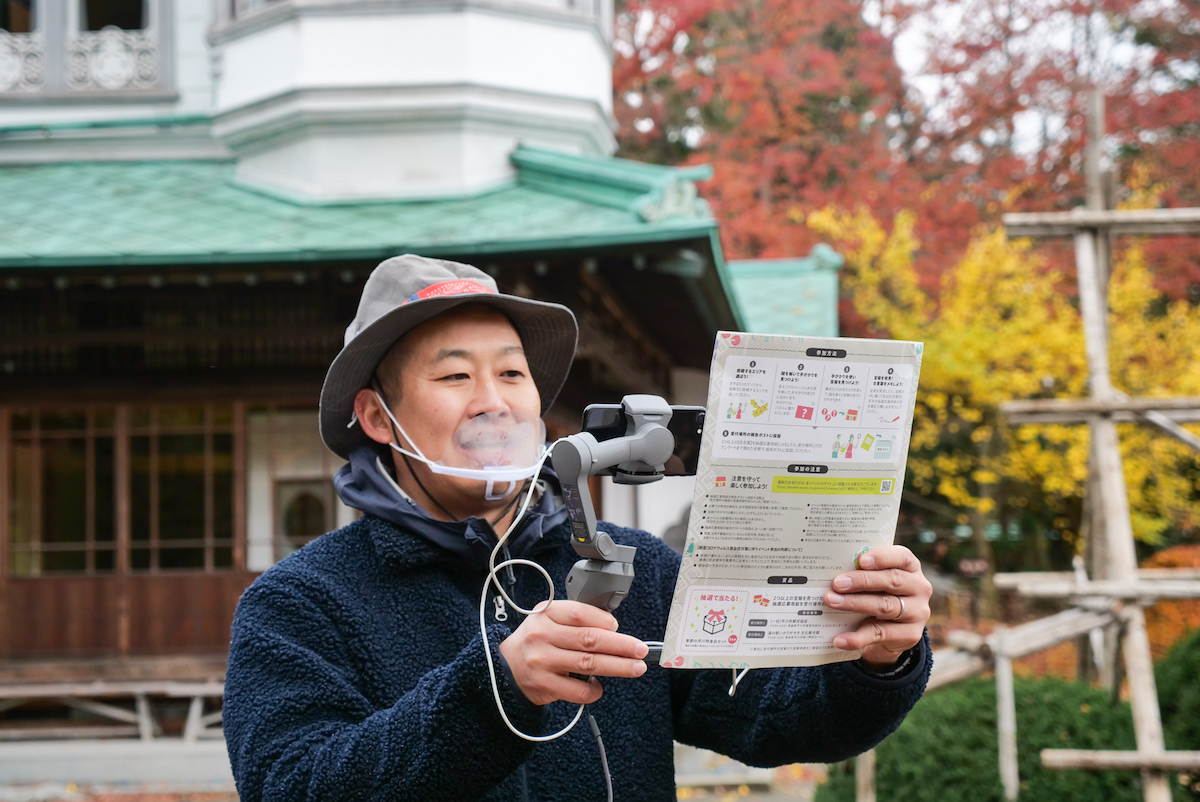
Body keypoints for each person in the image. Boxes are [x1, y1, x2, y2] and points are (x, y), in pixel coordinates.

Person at [223, 254, 934, 802]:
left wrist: (874, 655)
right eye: (453, 378)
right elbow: (292, 783)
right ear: (379, 418)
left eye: (512, 373)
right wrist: (498, 688)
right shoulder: (301, 603)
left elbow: (773, 718)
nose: (493, 403)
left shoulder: (636, 569)